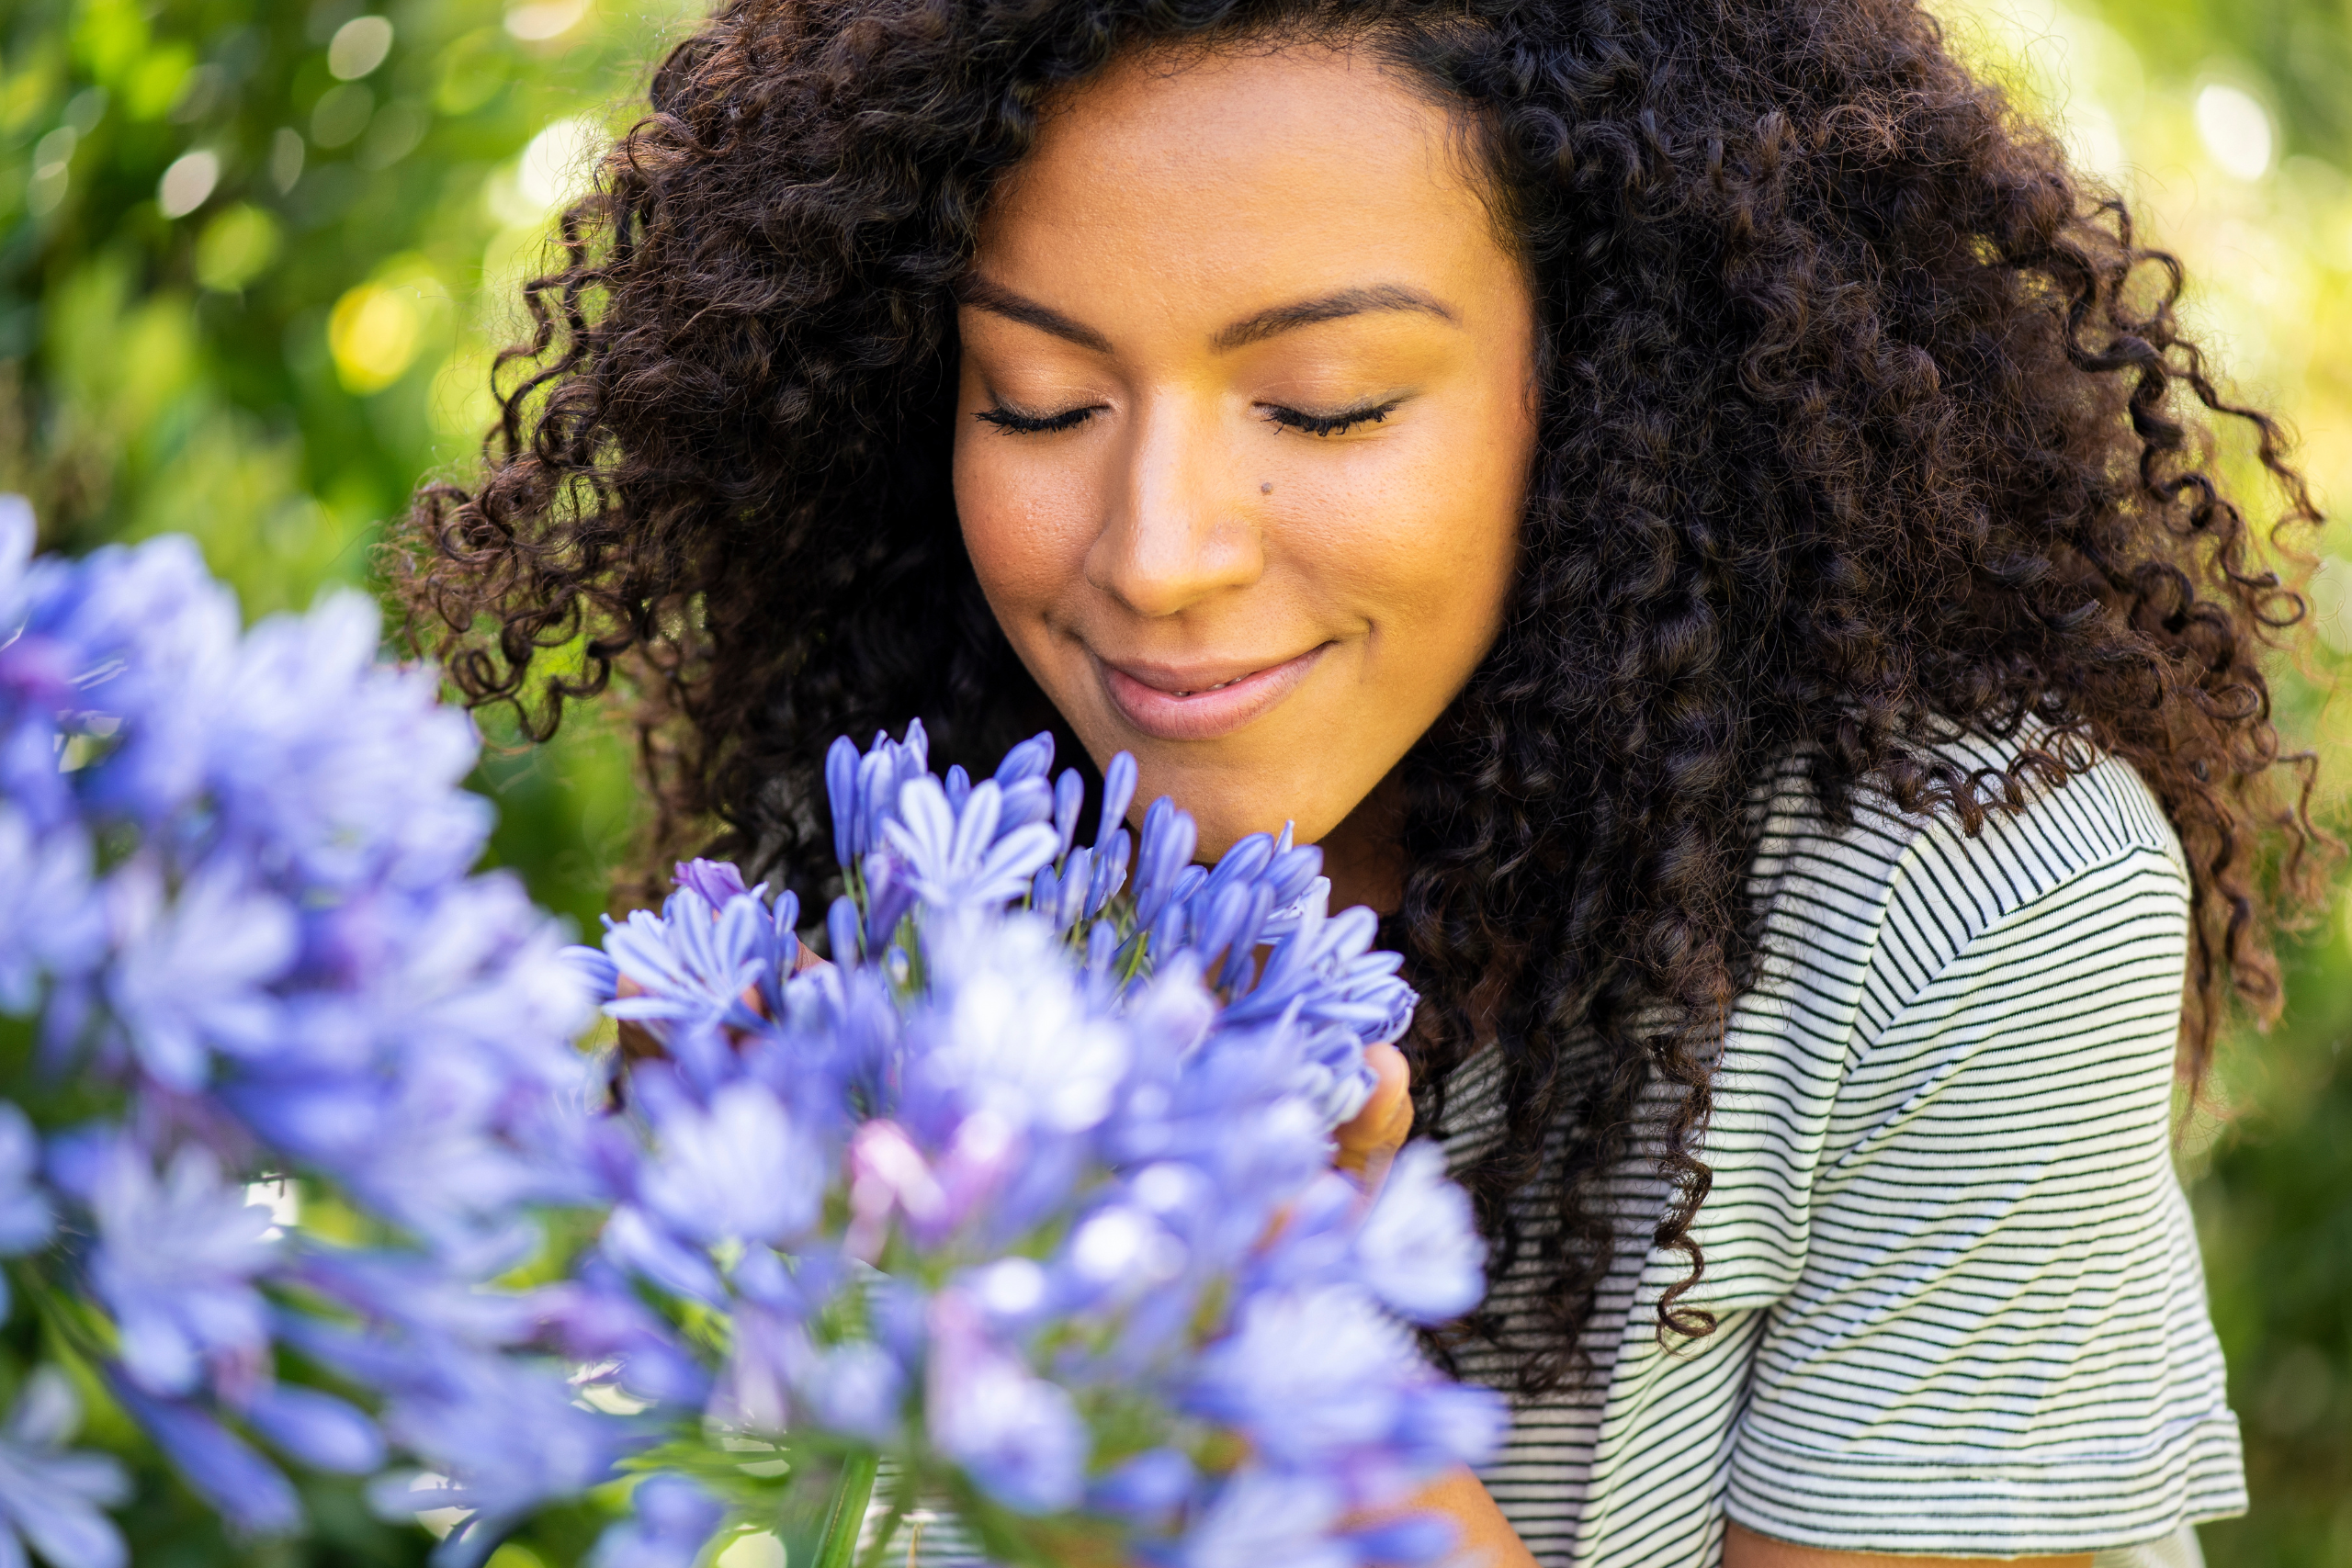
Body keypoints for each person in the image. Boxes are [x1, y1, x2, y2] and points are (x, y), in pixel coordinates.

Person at [398, 3, 2326, 1563]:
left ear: (1595, 387)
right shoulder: (962, 840)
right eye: (1038, 402)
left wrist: (1248, 1337)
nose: (1155, 553)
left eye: (1322, 405)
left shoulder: (1969, 901)